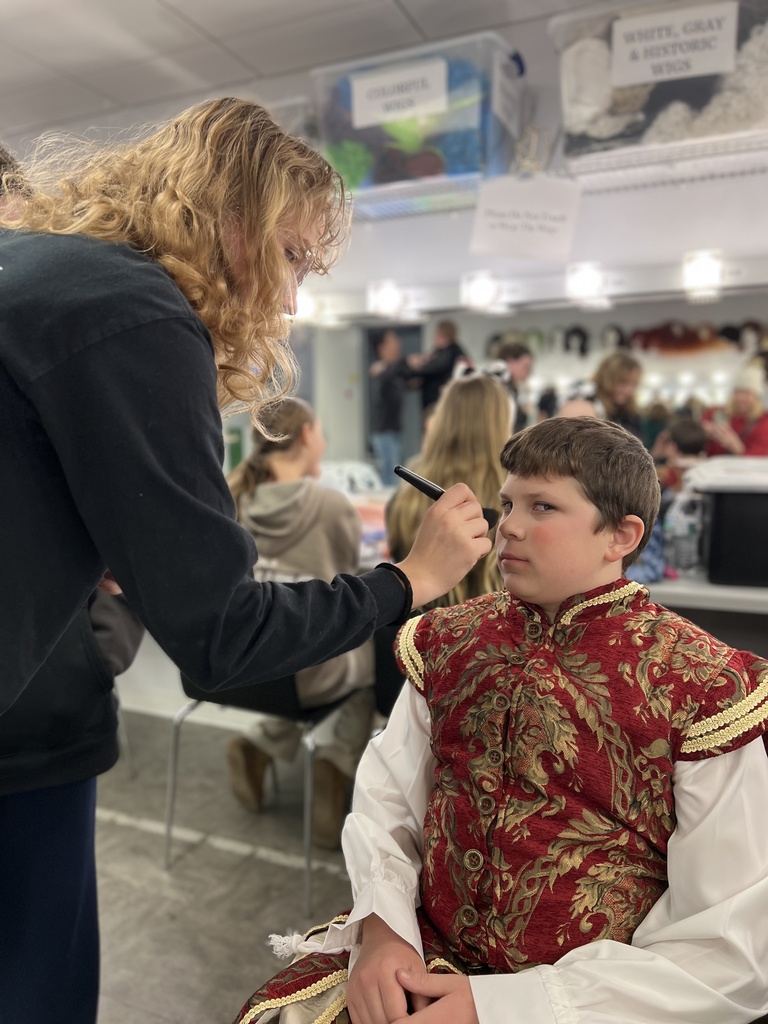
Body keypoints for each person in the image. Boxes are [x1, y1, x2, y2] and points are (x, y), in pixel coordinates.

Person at [0, 99, 491, 1023]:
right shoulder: (134, 310)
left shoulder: (33, 272)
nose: (294, 299)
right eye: (296, 257)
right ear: (236, 225)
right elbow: (224, 637)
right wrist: (412, 579)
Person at [234, 417, 768, 1024]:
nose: (507, 524)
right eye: (508, 501)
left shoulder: (700, 684)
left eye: (543, 506)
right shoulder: (451, 641)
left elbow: (725, 942)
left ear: (620, 535)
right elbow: (390, 801)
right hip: (421, 955)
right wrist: (383, 930)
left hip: (589, 1001)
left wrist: (501, 1006)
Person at [225, 397, 375, 849]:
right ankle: (336, 762)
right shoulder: (330, 505)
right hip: (305, 670)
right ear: (307, 435)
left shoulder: (231, 498)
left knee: (296, 654)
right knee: (366, 661)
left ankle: (258, 744)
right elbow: (354, 582)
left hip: (237, 669)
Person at [386, 373, 514, 610]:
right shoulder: (517, 501)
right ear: (503, 422)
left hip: (420, 632)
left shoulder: (405, 500)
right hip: (498, 636)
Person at [560, 351, 643, 437]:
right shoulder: (585, 393)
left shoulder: (628, 410)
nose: (628, 390)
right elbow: (571, 437)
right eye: (622, 382)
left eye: (634, 384)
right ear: (608, 378)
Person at [368, 329, 410, 487]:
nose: (397, 344)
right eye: (393, 341)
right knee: (390, 477)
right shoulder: (379, 369)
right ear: (381, 348)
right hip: (384, 432)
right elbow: (389, 371)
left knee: (394, 476)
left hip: (393, 431)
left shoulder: (394, 370)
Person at [701, 361, 768, 456]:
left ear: (756, 396)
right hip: (713, 467)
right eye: (738, 392)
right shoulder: (714, 413)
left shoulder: (763, 423)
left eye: (747, 393)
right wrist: (703, 432)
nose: (741, 398)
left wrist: (736, 447)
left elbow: (758, 461)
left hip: (743, 469)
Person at [408, 319, 470, 413]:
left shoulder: (449, 353)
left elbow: (432, 368)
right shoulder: (441, 353)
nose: (434, 337)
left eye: (437, 334)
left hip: (441, 402)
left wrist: (412, 366)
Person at [493, 337, 533, 433]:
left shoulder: (512, 389)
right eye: (525, 366)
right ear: (510, 361)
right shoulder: (496, 388)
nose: (528, 372)